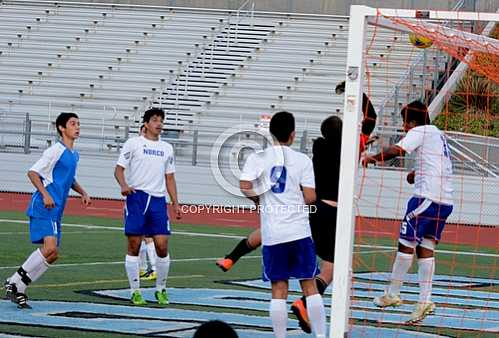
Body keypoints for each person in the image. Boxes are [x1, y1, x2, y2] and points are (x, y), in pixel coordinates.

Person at [216, 86, 377, 333]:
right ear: (291, 134)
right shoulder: (348, 147)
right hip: (332, 211)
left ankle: (232, 256)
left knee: (277, 282)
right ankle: (310, 314)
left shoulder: (317, 148)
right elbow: (371, 119)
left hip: (303, 216)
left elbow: (248, 185)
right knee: (328, 269)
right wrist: (356, 92)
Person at [362, 100, 453, 324]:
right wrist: (416, 172)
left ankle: (392, 293)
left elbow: (396, 150)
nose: (404, 127)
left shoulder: (419, 130)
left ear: (411, 122)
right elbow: (438, 163)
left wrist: (371, 158)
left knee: (406, 244)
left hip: (426, 198)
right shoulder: (437, 134)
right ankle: (424, 301)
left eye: (404, 123)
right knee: (426, 247)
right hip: (445, 200)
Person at [239, 111, 326, 338]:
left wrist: (259, 198)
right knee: (310, 286)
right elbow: (310, 197)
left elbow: (244, 185)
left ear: (271, 133)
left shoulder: (258, 158)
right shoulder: (302, 160)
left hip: (273, 233)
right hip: (298, 232)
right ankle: (320, 335)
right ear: (293, 134)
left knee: (278, 290)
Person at [4, 112, 91, 309]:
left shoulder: (73, 154)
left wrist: (82, 191)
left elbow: (68, 179)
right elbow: (33, 172)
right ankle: (13, 281)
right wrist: (45, 194)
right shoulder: (55, 150)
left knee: (53, 255)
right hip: (44, 206)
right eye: (72, 123)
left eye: (78, 123)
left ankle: (20, 288)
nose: (77, 127)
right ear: (62, 128)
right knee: (50, 249)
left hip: (57, 209)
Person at [114, 108, 181, 306]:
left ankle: (161, 288)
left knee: (162, 245)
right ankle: (135, 291)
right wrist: (124, 185)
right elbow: (118, 170)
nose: (159, 124)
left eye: (161, 120)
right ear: (145, 123)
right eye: (155, 120)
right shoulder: (133, 143)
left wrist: (176, 203)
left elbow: (170, 177)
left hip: (158, 201)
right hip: (137, 198)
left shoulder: (167, 148)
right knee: (134, 246)